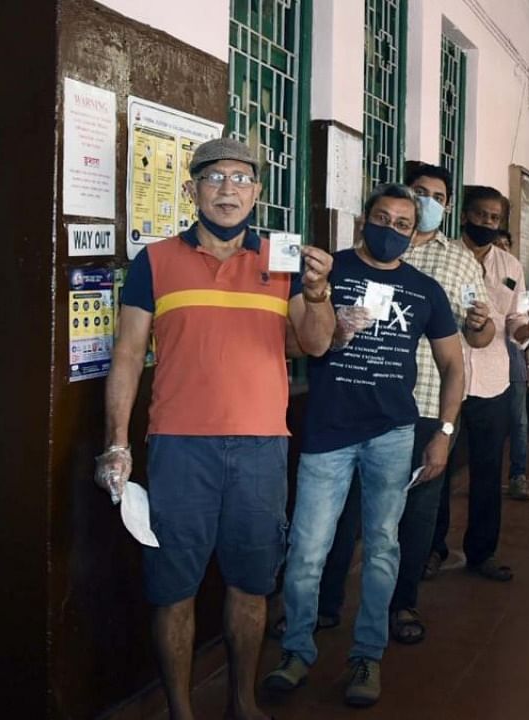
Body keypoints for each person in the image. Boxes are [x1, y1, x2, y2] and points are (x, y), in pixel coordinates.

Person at [95, 137, 336, 720]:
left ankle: (242, 700)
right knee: (172, 586)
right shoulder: (153, 262)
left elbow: (317, 341)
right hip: (179, 447)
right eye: (214, 177)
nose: (228, 189)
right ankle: (181, 710)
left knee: (251, 585)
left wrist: (317, 290)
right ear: (192, 189)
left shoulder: (282, 261)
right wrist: (117, 443)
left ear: (256, 192)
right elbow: (127, 354)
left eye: (240, 178)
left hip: (261, 447)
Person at [265, 183, 466, 707]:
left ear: (414, 230)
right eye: (383, 218)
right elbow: (293, 345)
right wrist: (334, 332)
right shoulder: (328, 274)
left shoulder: (426, 290)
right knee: (308, 549)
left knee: (382, 548)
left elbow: (454, 366)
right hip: (329, 431)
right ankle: (296, 649)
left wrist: (443, 433)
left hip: (394, 433)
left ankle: (367, 655)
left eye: (403, 224)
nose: (392, 230)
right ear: (363, 220)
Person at [312, 163, 495, 648]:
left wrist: (479, 323)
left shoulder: (458, 264)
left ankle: (401, 604)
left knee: (413, 518)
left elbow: (479, 337)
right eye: (419, 192)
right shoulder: (348, 263)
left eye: (436, 195)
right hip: (354, 403)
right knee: (344, 514)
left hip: (426, 404)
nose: (426, 201)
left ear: (442, 207)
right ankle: (325, 605)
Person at [430, 186, 529, 583]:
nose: (486, 224)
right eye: (480, 215)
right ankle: (432, 549)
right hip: (441, 377)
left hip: (493, 379)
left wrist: (527, 329)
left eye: (494, 219)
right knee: (436, 468)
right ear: (464, 216)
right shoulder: (444, 257)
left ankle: (483, 552)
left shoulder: (511, 266)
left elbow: (517, 319)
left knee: (486, 468)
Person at [494, 229, 529, 501]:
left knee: (519, 423)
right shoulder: (473, 276)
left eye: (504, 245)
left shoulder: (520, 284)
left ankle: (518, 475)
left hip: (514, 362)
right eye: (495, 244)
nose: (499, 248)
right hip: (480, 364)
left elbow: (526, 329)